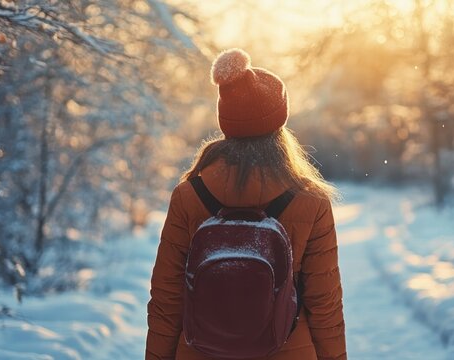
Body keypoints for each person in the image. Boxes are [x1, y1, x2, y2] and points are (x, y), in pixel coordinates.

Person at [146, 48, 346, 360]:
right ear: (280, 122)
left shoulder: (189, 195)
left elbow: (166, 298)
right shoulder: (311, 201)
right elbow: (325, 304)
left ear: (226, 122)